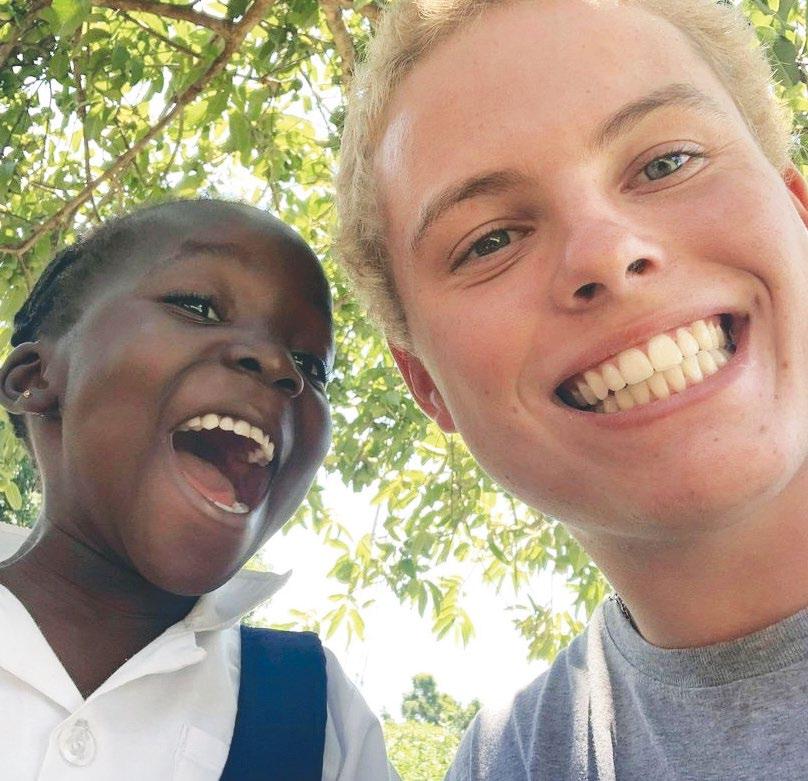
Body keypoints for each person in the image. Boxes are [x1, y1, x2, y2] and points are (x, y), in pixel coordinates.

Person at [336, 0, 808, 778]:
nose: (606, 252)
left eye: (667, 162)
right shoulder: (511, 761)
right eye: (490, 241)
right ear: (427, 385)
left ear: (798, 210)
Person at [0, 199, 397, 780]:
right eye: (199, 307)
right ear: (35, 380)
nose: (279, 364)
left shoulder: (319, 719)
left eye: (312, 366)